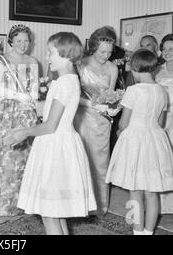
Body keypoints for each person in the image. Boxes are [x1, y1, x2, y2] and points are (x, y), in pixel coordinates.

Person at [5, 32, 96, 235]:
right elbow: (52, 111)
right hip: (59, 144)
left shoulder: (64, 83)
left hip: (56, 146)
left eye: (50, 53)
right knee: (56, 211)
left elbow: (50, 125)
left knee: (49, 213)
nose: (47, 57)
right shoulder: (66, 81)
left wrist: (24, 132)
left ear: (65, 55)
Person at [106, 49, 173, 235]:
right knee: (152, 192)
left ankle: (137, 230)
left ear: (135, 68)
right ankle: (148, 231)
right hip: (155, 140)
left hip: (135, 141)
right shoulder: (162, 91)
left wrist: (119, 132)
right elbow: (160, 122)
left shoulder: (133, 90)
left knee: (135, 190)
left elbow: (125, 122)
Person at [0, 24, 38, 216]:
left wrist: (31, 98)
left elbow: (35, 87)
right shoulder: (2, 60)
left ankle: (22, 204)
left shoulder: (33, 61)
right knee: (5, 158)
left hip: (26, 114)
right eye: (18, 41)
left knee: (24, 159)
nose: (23, 44)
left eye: (26, 40)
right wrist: (18, 95)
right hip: (6, 114)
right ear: (11, 42)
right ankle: (1, 205)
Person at [73, 26, 118, 216]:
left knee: (100, 162)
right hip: (81, 118)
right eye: (102, 51)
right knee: (80, 159)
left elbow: (111, 96)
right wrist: (91, 105)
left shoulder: (113, 68)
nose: (105, 56)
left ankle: (99, 205)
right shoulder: (80, 64)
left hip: (102, 121)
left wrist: (113, 108)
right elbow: (73, 95)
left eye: (109, 52)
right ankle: (78, 204)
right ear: (94, 47)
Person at [155, 33, 173, 214]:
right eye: (165, 49)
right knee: (163, 159)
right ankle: (163, 205)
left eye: (171, 49)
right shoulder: (157, 71)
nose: (167, 52)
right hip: (161, 119)